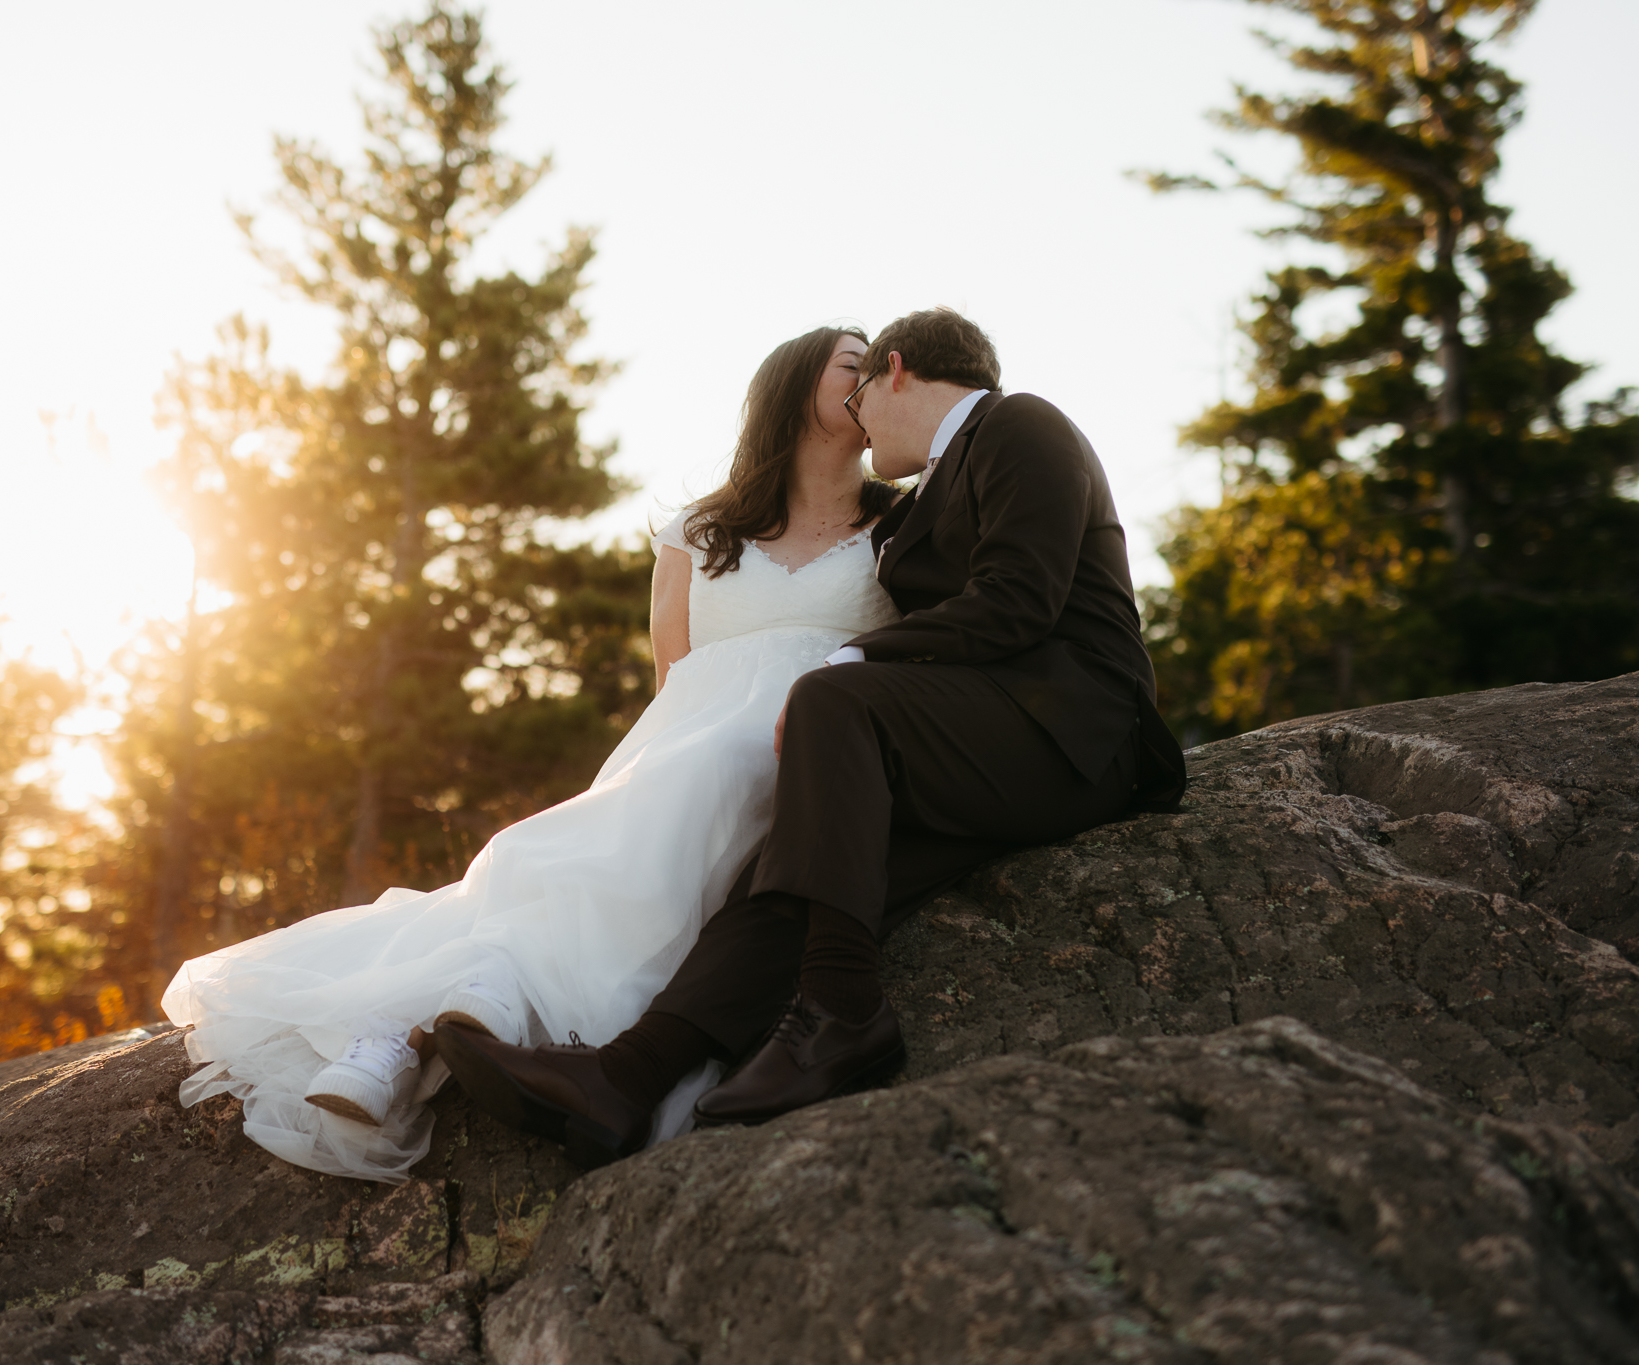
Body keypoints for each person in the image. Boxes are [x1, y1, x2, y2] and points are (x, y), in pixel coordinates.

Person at [436, 307, 1188, 1166]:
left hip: (1077, 729)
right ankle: (625, 1079)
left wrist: (849, 658)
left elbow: (1019, 599)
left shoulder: (1019, 423)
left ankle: (843, 1011)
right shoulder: (920, 505)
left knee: (836, 702)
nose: (860, 421)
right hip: (986, 753)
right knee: (794, 871)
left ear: (895, 371)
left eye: (864, 391)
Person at [161, 325, 905, 1182]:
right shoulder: (700, 529)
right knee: (581, 845)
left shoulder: (898, 524)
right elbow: (676, 677)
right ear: (792, 386)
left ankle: (439, 1019)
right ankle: (415, 1031)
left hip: (810, 742)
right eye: (853, 363)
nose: (872, 376)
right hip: (685, 743)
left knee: (672, 820)